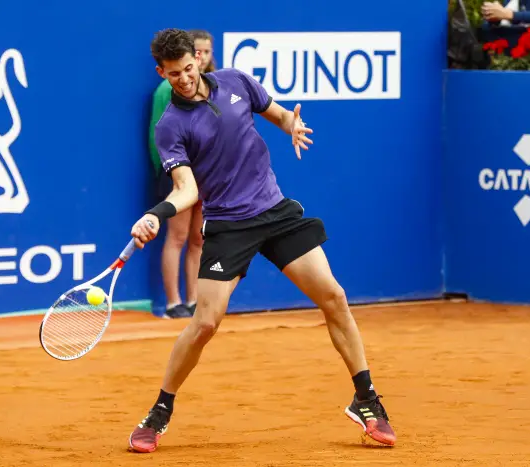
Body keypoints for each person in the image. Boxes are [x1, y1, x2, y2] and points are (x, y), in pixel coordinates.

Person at [128, 28, 396, 453]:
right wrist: (156, 214)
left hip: (273, 210)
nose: (183, 78)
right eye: (173, 73)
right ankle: (160, 409)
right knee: (205, 323)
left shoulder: (236, 81)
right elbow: (186, 189)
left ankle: (366, 399)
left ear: (199, 60)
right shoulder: (171, 126)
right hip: (228, 226)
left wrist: (292, 124)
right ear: (161, 72)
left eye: (188, 68)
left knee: (334, 296)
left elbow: (277, 113)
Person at [147, 30, 216, 319]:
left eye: (206, 53)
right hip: (177, 175)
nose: (202, 58)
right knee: (176, 238)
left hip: (206, 176)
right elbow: (160, 137)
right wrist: (170, 174)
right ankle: (174, 303)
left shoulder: (216, 88)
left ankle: (193, 300)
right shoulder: (167, 92)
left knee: (198, 240)